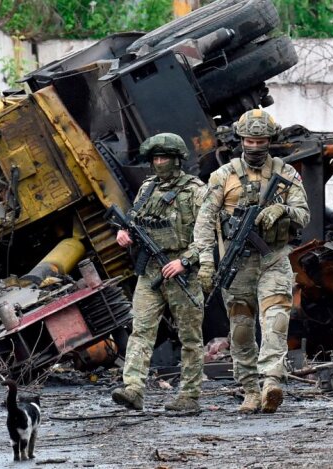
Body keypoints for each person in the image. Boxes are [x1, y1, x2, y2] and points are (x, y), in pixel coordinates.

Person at [193, 109, 310, 414]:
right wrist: (206, 261)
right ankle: (249, 388)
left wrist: (282, 211)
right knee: (241, 330)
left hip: (273, 258)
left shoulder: (287, 175)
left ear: (270, 141)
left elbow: (304, 215)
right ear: (241, 140)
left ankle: (272, 379)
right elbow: (204, 222)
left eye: (261, 141)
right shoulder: (223, 177)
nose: (255, 146)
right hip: (237, 264)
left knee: (276, 320)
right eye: (250, 140)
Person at [111, 133, 206, 412]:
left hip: (181, 272)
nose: (159, 163)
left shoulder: (196, 191)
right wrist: (123, 233)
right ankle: (133, 389)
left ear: (177, 160)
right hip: (150, 270)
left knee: (189, 336)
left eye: (164, 157)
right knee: (141, 330)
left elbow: (210, 235)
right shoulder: (147, 188)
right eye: (155, 158)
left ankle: (189, 395)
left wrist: (185, 261)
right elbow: (133, 220)